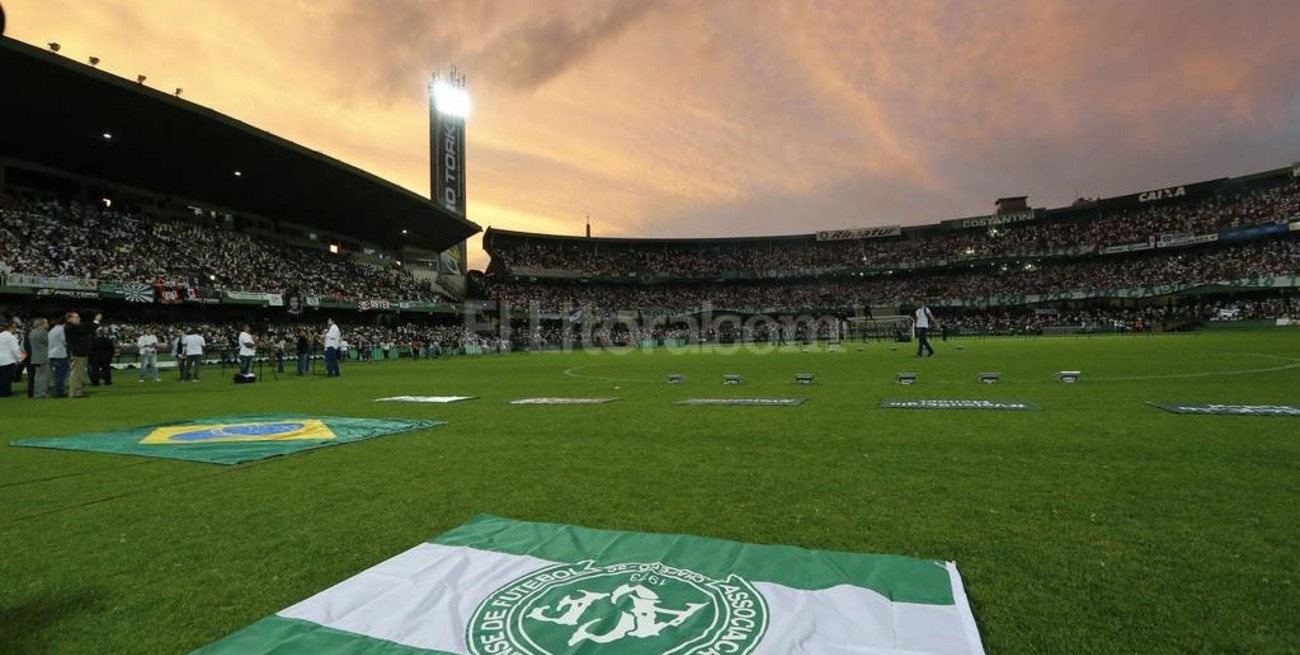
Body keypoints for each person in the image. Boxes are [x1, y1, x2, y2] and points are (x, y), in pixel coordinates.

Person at [65, 312, 99, 398]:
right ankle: (74, 393)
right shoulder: (70, 327)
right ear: (69, 319)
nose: (79, 319)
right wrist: (96, 321)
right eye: (76, 317)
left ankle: (77, 392)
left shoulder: (73, 327)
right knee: (76, 373)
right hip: (78, 353)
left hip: (80, 352)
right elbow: (85, 329)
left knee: (79, 373)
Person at [28, 318, 50, 398]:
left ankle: (36, 392)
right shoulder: (43, 332)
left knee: (37, 376)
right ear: (42, 324)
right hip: (43, 356)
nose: (48, 324)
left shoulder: (31, 333)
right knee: (44, 376)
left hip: (35, 357)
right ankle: (42, 393)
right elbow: (47, 343)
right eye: (46, 323)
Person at [47, 316, 68, 397]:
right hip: (60, 354)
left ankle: (58, 390)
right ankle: (60, 392)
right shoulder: (61, 330)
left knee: (57, 375)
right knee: (61, 374)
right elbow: (64, 342)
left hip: (51, 354)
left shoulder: (52, 330)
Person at [0, 320, 22, 397]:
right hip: (8, 360)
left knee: (1, 377)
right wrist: (19, 358)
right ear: (11, 327)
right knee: (7, 378)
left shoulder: (0, 335)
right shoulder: (11, 337)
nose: (16, 329)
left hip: (1, 359)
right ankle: (6, 393)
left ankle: (2, 392)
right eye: (15, 327)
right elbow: (15, 349)